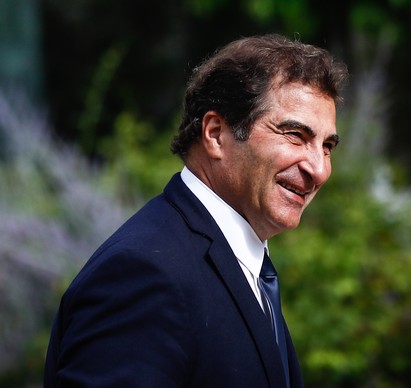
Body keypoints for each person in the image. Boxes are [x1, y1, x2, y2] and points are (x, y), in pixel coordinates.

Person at [44, 33, 348, 387]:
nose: (320, 169)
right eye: (295, 134)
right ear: (216, 134)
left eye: (327, 146)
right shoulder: (144, 273)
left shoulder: (237, 263)